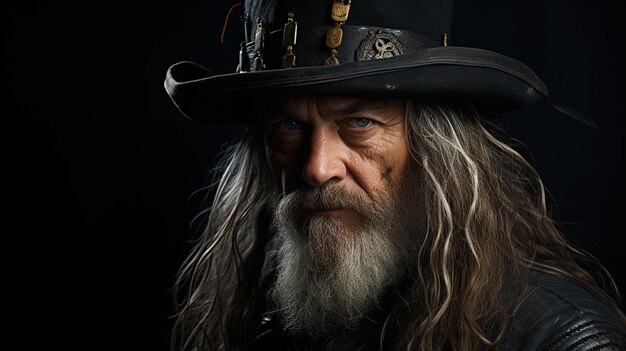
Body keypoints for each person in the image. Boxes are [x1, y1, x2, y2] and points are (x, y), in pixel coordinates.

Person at [164, 0, 626, 350]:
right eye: (288, 126)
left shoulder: (556, 338)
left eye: (360, 123)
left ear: (437, 150)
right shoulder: (274, 332)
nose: (316, 168)